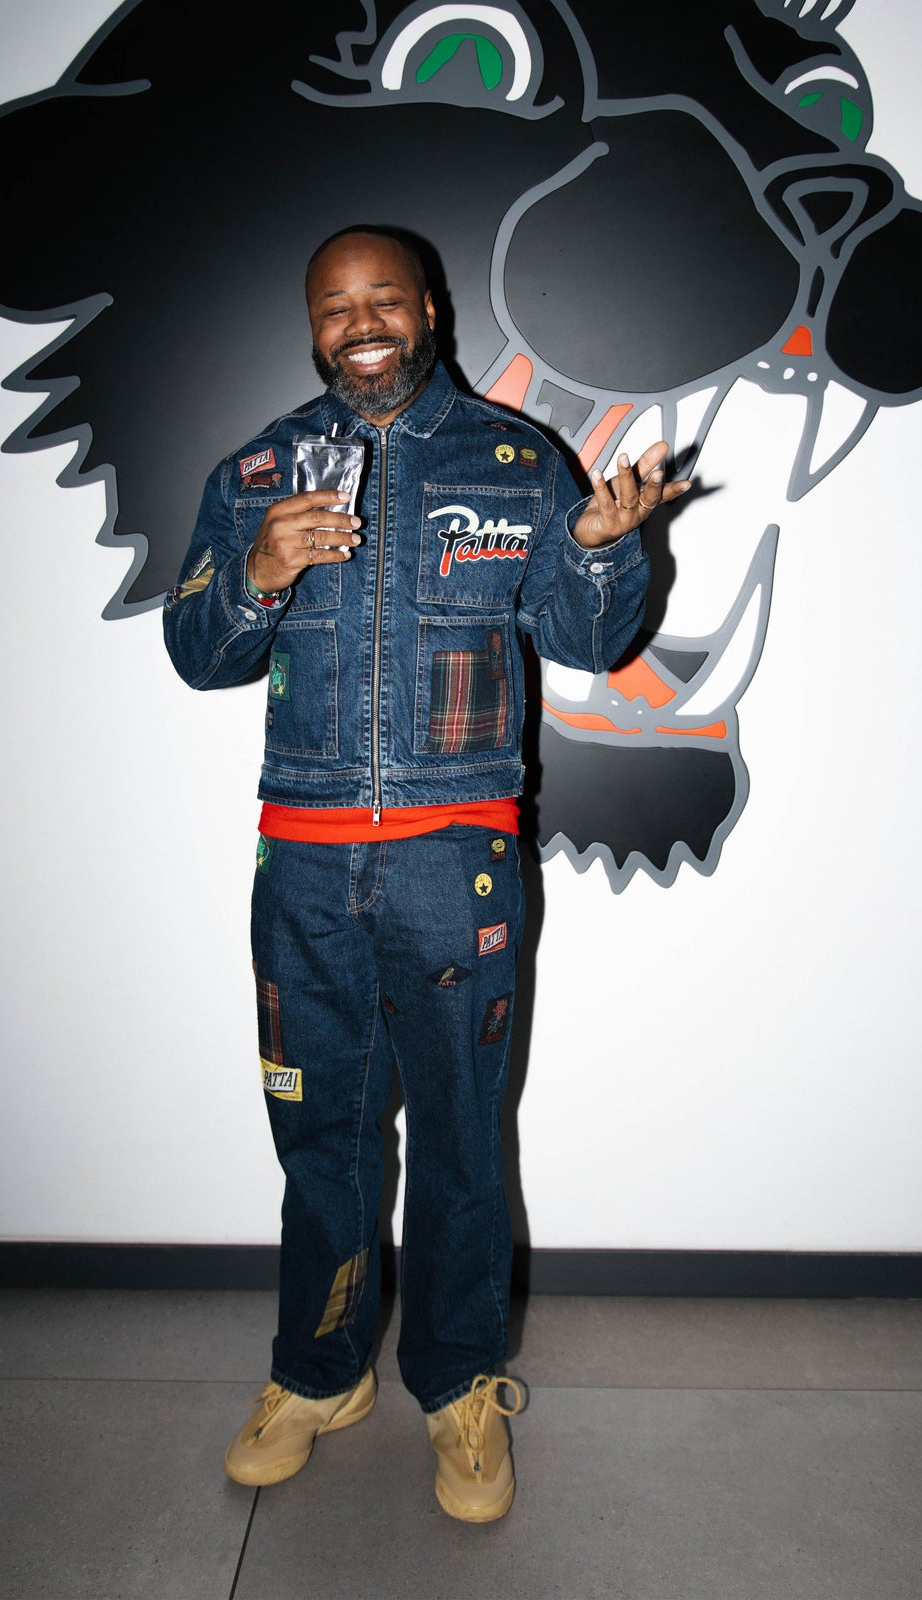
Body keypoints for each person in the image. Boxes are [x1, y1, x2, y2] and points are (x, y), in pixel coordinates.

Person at [163, 226, 690, 1521]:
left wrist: (601, 545)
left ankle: (457, 1384)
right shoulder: (256, 472)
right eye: (334, 307)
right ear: (312, 326)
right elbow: (195, 651)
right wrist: (259, 569)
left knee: (459, 1141)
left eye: (384, 299)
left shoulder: (516, 462)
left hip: (457, 862)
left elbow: (587, 638)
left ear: (430, 311)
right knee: (320, 1139)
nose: (361, 324)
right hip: (303, 863)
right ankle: (319, 1370)